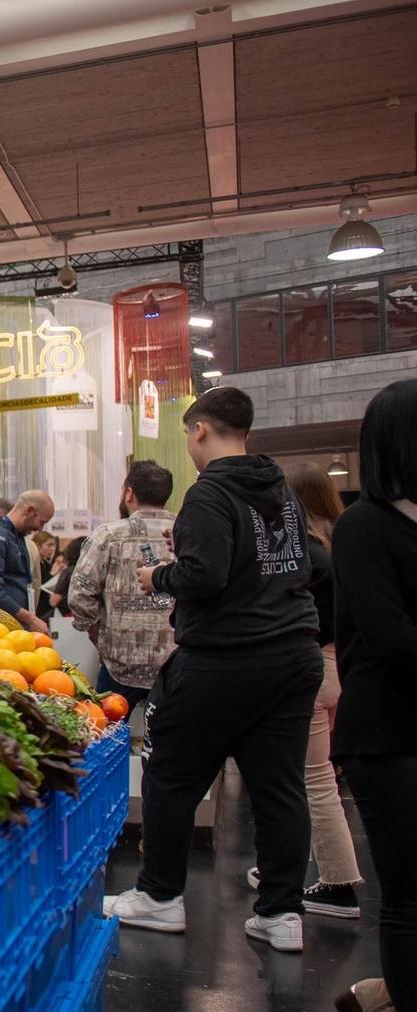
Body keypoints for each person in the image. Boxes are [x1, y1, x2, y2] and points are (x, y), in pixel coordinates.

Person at [106, 387, 320, 953]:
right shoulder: (282, 494)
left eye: (186, 434)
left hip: (224, 656)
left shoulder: (210, 494)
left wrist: (159, 579)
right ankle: (281, 913)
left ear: (199, 430)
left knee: (171, 774)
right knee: (279, 787)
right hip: (293, 654)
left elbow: (203, 576)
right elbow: (312, 564)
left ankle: (158, 897)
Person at [329, 378, 417, 1012]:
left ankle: (389, 1001)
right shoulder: (364, 526)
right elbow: (390, 637)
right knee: (410, 896)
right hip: (389, 736)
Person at [278, 462, 361, 919]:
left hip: (310, 669)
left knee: (313, 781)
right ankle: (291, 867)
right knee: (306, 778)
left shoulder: (308, 554)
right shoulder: (341, 542)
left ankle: (339, 881)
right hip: (335, 667)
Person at [68, 461, 177, 717]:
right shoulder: (184, 531)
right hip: (175, 665)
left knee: (108, 735)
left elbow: (79, 594)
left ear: (129, 493)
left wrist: (96, 633)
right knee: (169, 743)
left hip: (119, 663)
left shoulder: (108, 535)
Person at [0, 490, 54, 635]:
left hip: (15, 629)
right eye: (42, 522)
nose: (40, 529)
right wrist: (30, 619)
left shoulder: (17, 537)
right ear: (29, 511)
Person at [30, 531, 60, 623]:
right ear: (38, 546)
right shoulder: (34, 563)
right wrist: (52, 574)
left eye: (53, 545)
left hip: (46, 607)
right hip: (38, 608)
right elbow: (38, 585)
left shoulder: (46, 563)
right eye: (49, 545)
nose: (52, 549)